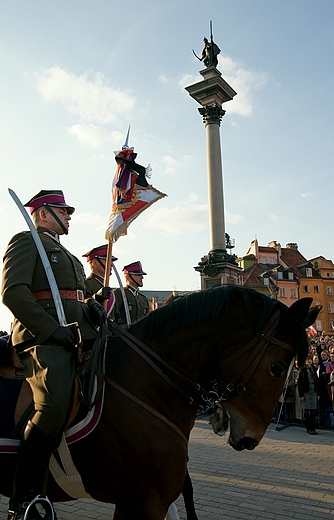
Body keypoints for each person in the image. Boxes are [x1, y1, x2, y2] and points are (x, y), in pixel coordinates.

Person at [1, 190, 105, 520]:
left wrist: (94, 306)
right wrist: (50, 330)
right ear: (43, 213)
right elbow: (12, 292)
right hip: (41, 338)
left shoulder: (65, 253)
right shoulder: (26, 241)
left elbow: (76, 296)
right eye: (63, 210)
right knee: (55, 400)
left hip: (79, 335)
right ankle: (25, 496)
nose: (69, 216)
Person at [82, 244, 116, 316]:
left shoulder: (107, 286)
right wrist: (97, 297)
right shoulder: (87, 284)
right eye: (107, 261)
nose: (112, 265)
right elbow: (83, 309)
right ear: (95, 263)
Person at [113, 261, 149, 326]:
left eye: (141, 275)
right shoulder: (119, 293)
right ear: (127, 277)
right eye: (137, 275)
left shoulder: (143, 299)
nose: (142, 277)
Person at [298, 355, 320, 435]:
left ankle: (313, 427)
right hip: (306, 391)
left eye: (310, 360)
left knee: (313, 409)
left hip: (313, 390)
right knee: (307, 409)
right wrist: (301, 395)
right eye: (308, 360)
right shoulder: (303, 369)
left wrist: (318, 393)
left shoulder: (314, 369)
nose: (309, 361)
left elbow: (318, 382)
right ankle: (308, 427)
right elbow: (299, 382)